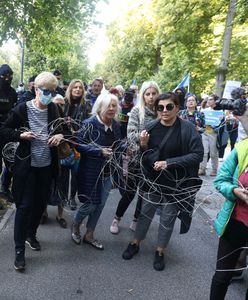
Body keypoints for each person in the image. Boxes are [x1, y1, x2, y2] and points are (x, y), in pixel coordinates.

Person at [122, 92, 203, 271]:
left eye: (169, 107)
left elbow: (198, 155)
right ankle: (135, 243)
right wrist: (143, 145)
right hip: (153, 181)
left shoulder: (187, 128)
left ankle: (160, 251)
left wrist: (170, 163)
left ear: (177, 108)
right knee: (145, 213)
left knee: (168, 218)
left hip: (177, 184)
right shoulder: (150, 127)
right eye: (160, 107)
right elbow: (145, 156)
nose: (164, 111)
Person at [0, 71, 64, 271]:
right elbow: (3, 131)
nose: (49, 95)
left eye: (52, 92)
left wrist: (60, 136)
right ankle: (19, 251)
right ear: (35, 89)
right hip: (26, 168)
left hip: (46, 167)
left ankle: (31, 235)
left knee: (39, 205)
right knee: (24, 207)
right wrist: (21, 135)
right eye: (46, 91)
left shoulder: (54, 109)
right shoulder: (21, 109)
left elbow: (66, 130)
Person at [71, 93, 126, 249]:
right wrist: (99, 152)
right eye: (108, 105)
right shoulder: (90, 123)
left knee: (100, 205)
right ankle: (75, 225)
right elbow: (78, 145)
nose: (111, 108)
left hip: (108, 172)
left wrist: (127, 149)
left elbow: (118, 143)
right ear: (100, 107)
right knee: (90, 204)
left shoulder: (115, 124)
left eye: (114, 105)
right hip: (90, 172)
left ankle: (89, 234)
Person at [109, 81, 160, 234]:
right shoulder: (138, 111)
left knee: (144, 193)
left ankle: (136, 219)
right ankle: (117, 218)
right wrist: (143, 139)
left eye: (154, 93)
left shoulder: (162, 112)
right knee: (130, 192)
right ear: (143, 95)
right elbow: (130, 136)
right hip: (137, 159)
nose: (151, 97)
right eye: (147, 94)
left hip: (154, 161)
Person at [209, 104, 248, 300]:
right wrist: (234, 190)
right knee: (222, 276)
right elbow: (221, 180)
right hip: (235, 222)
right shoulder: (242, 149)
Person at [62, 79, 91, 210]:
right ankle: (61, 197)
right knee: (62, 172)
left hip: (79, 143)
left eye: (80, 87)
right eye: (75, 87)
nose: (78, 89)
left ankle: (72, 197)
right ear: (70, 89)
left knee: (75, 173)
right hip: (63, 142)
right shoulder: (63, 103)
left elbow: (90, 124)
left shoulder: (87, 105)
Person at [0, 64, 17, 202]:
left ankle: (4, 189)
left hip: (7, 131)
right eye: (4, 76)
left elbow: (14, 111)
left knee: (11, 161)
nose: (7, 78)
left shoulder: (13, 92)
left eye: (9, 76)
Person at [198, 94, 223, 176]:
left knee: (213, 153)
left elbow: (222, 125)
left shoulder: (220, 111)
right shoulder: (204, 110)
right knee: (204, 151)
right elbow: (200, 121)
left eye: (211, 99)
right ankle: (202, 169)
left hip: (214, 134)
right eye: (208, 99)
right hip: (204, 132)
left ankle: (214, 170)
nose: (208, 101)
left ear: (215, 101)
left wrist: (220, 121)